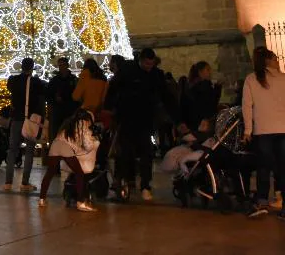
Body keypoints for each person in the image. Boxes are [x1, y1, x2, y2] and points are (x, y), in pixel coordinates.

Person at [112, 46, 176, 201]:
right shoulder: (127, 72)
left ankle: (145, 185)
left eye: (151, 64)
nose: (149, 67)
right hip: (127, 119)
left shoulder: (156, 75)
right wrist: (111, 110)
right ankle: (125, 180)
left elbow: (166, 96)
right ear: (140, 61)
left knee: (147, 153)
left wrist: (175, 116)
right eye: (146, 64)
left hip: (146, 120)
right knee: (126, 152)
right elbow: (114, 90)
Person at [243, 46, 285, 219]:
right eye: (275, 59)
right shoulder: (283, 78)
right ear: (268, 60)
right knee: (283, 168)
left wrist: (247, 130)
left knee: (263, 167)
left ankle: (261, 201)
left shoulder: (251, 79)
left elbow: (247, 106)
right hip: (283, 129)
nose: (277, 62)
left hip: (263, 131)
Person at [38, 108, 99, 210]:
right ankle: (80, 202)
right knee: (79, 173)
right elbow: (88, 145)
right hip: (66, 148)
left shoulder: (68, 123)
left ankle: (41, 199)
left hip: (55, 145)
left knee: (49, 173)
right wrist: (95, 142)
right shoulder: (85, 124)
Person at [4, 57, 47, 193]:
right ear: (32, 67)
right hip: (30, 120)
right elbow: (45, 92)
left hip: (16, 118)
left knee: (12, 150)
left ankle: (8, 182)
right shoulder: (36, 83)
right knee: (29, 150)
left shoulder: (13, 81)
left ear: (21, 67)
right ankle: (24, 182)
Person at [185, 61, 221, 137]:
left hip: (196, 124)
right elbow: (211, 104)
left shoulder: (193, 86)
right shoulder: (203, 86)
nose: (210, 72)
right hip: (204, 123)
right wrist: (217, 89)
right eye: (207, 70)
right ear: (200, 72)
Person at [47, 57, 77, 141]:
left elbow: (76, 95)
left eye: (63, 65)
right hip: (57, 111)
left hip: (69, 111)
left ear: (67, 66)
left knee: (69, 134)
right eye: (60, 65)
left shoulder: (73, 80)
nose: (62, 67)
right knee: (56, 133)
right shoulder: (54, 80)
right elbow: (49, 95)